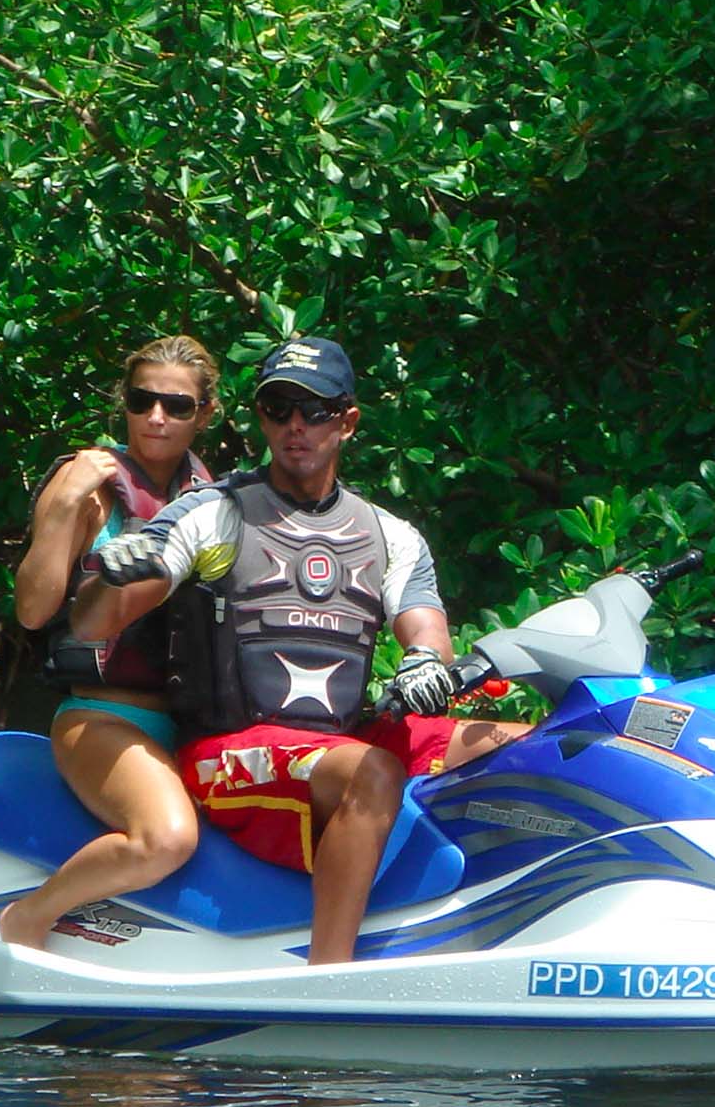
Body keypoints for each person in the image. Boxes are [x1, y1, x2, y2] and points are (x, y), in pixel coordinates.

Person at [70, 336, 527, 964]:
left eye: (314, 411)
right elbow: (95, 624)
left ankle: (511, 922)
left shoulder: (391, 535)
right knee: (370, 769)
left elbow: (426, 627)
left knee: (529, 746)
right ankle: (328, 975)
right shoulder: (212, 514)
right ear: (260, 417)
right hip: (225, 754)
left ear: (348, 420)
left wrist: (424, 661)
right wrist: (111, 577)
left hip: (335, 742)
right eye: (278, 408)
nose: (295, 426)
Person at [0, 334, 221, 949]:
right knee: (167, 838)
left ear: (204, 415)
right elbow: (34, 610)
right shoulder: (88, 486)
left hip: (193, 726)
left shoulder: (217, 500)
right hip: (100, 718)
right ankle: (28, 917)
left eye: (176, 406)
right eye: (141, 399)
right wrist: (65, 504)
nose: (156, 416)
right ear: (122, 403)